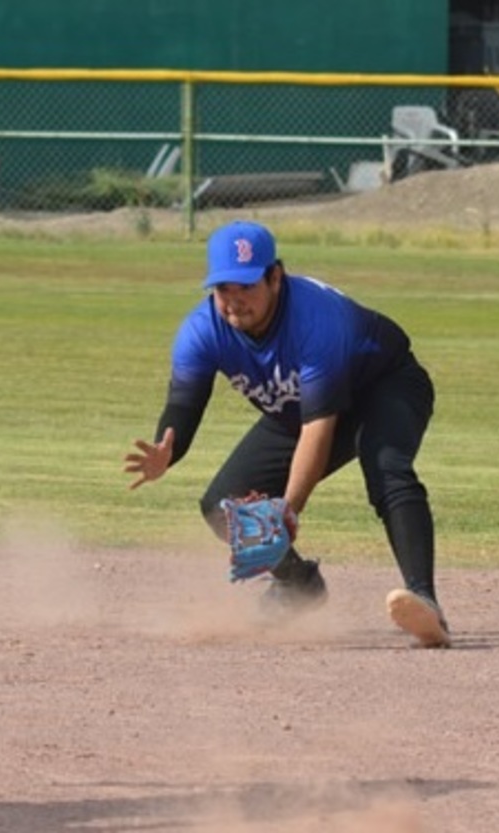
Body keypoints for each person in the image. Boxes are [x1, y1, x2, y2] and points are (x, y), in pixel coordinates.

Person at [123, 220, 450, 649]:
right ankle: (298, 585)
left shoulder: (315, 319)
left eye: (246, 286)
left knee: (387, 467)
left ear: (275, 277)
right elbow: (184, 405)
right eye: (223, 289)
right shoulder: (202, 332)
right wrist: (168, 449)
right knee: (223, 505)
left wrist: (288, 511)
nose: (234, 301)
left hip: (384, 385)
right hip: (299, 408)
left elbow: (318, 429)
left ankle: (425, 601)